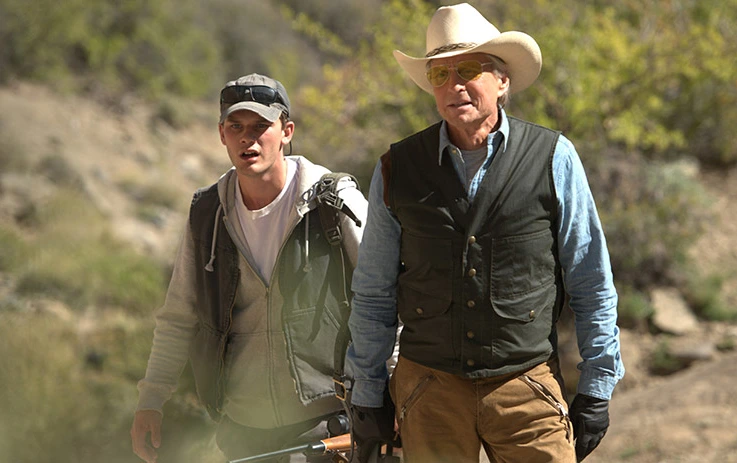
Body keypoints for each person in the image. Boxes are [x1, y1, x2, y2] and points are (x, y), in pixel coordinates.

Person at [345, 3, 624, 463]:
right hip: (428, 389)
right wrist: (367, 390)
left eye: (469, 70)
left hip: (526, 385)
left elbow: (591, 280)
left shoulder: (554, 157)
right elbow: (374, 291)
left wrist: (597, 384)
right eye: (440, 74)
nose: (454, 85)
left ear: (502, 80)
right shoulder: (397, 167)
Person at [130, 73, 367, 463]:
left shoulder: (333, 201)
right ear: (221, 135)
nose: (247, 138)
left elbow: (383, 298)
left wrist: (391, 392)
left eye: (260, 126)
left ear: (286, 132)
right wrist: (151, 400)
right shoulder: (207, 213)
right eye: (236, 127)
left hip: (329, 424)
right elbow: (178, 317)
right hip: (242, 430)